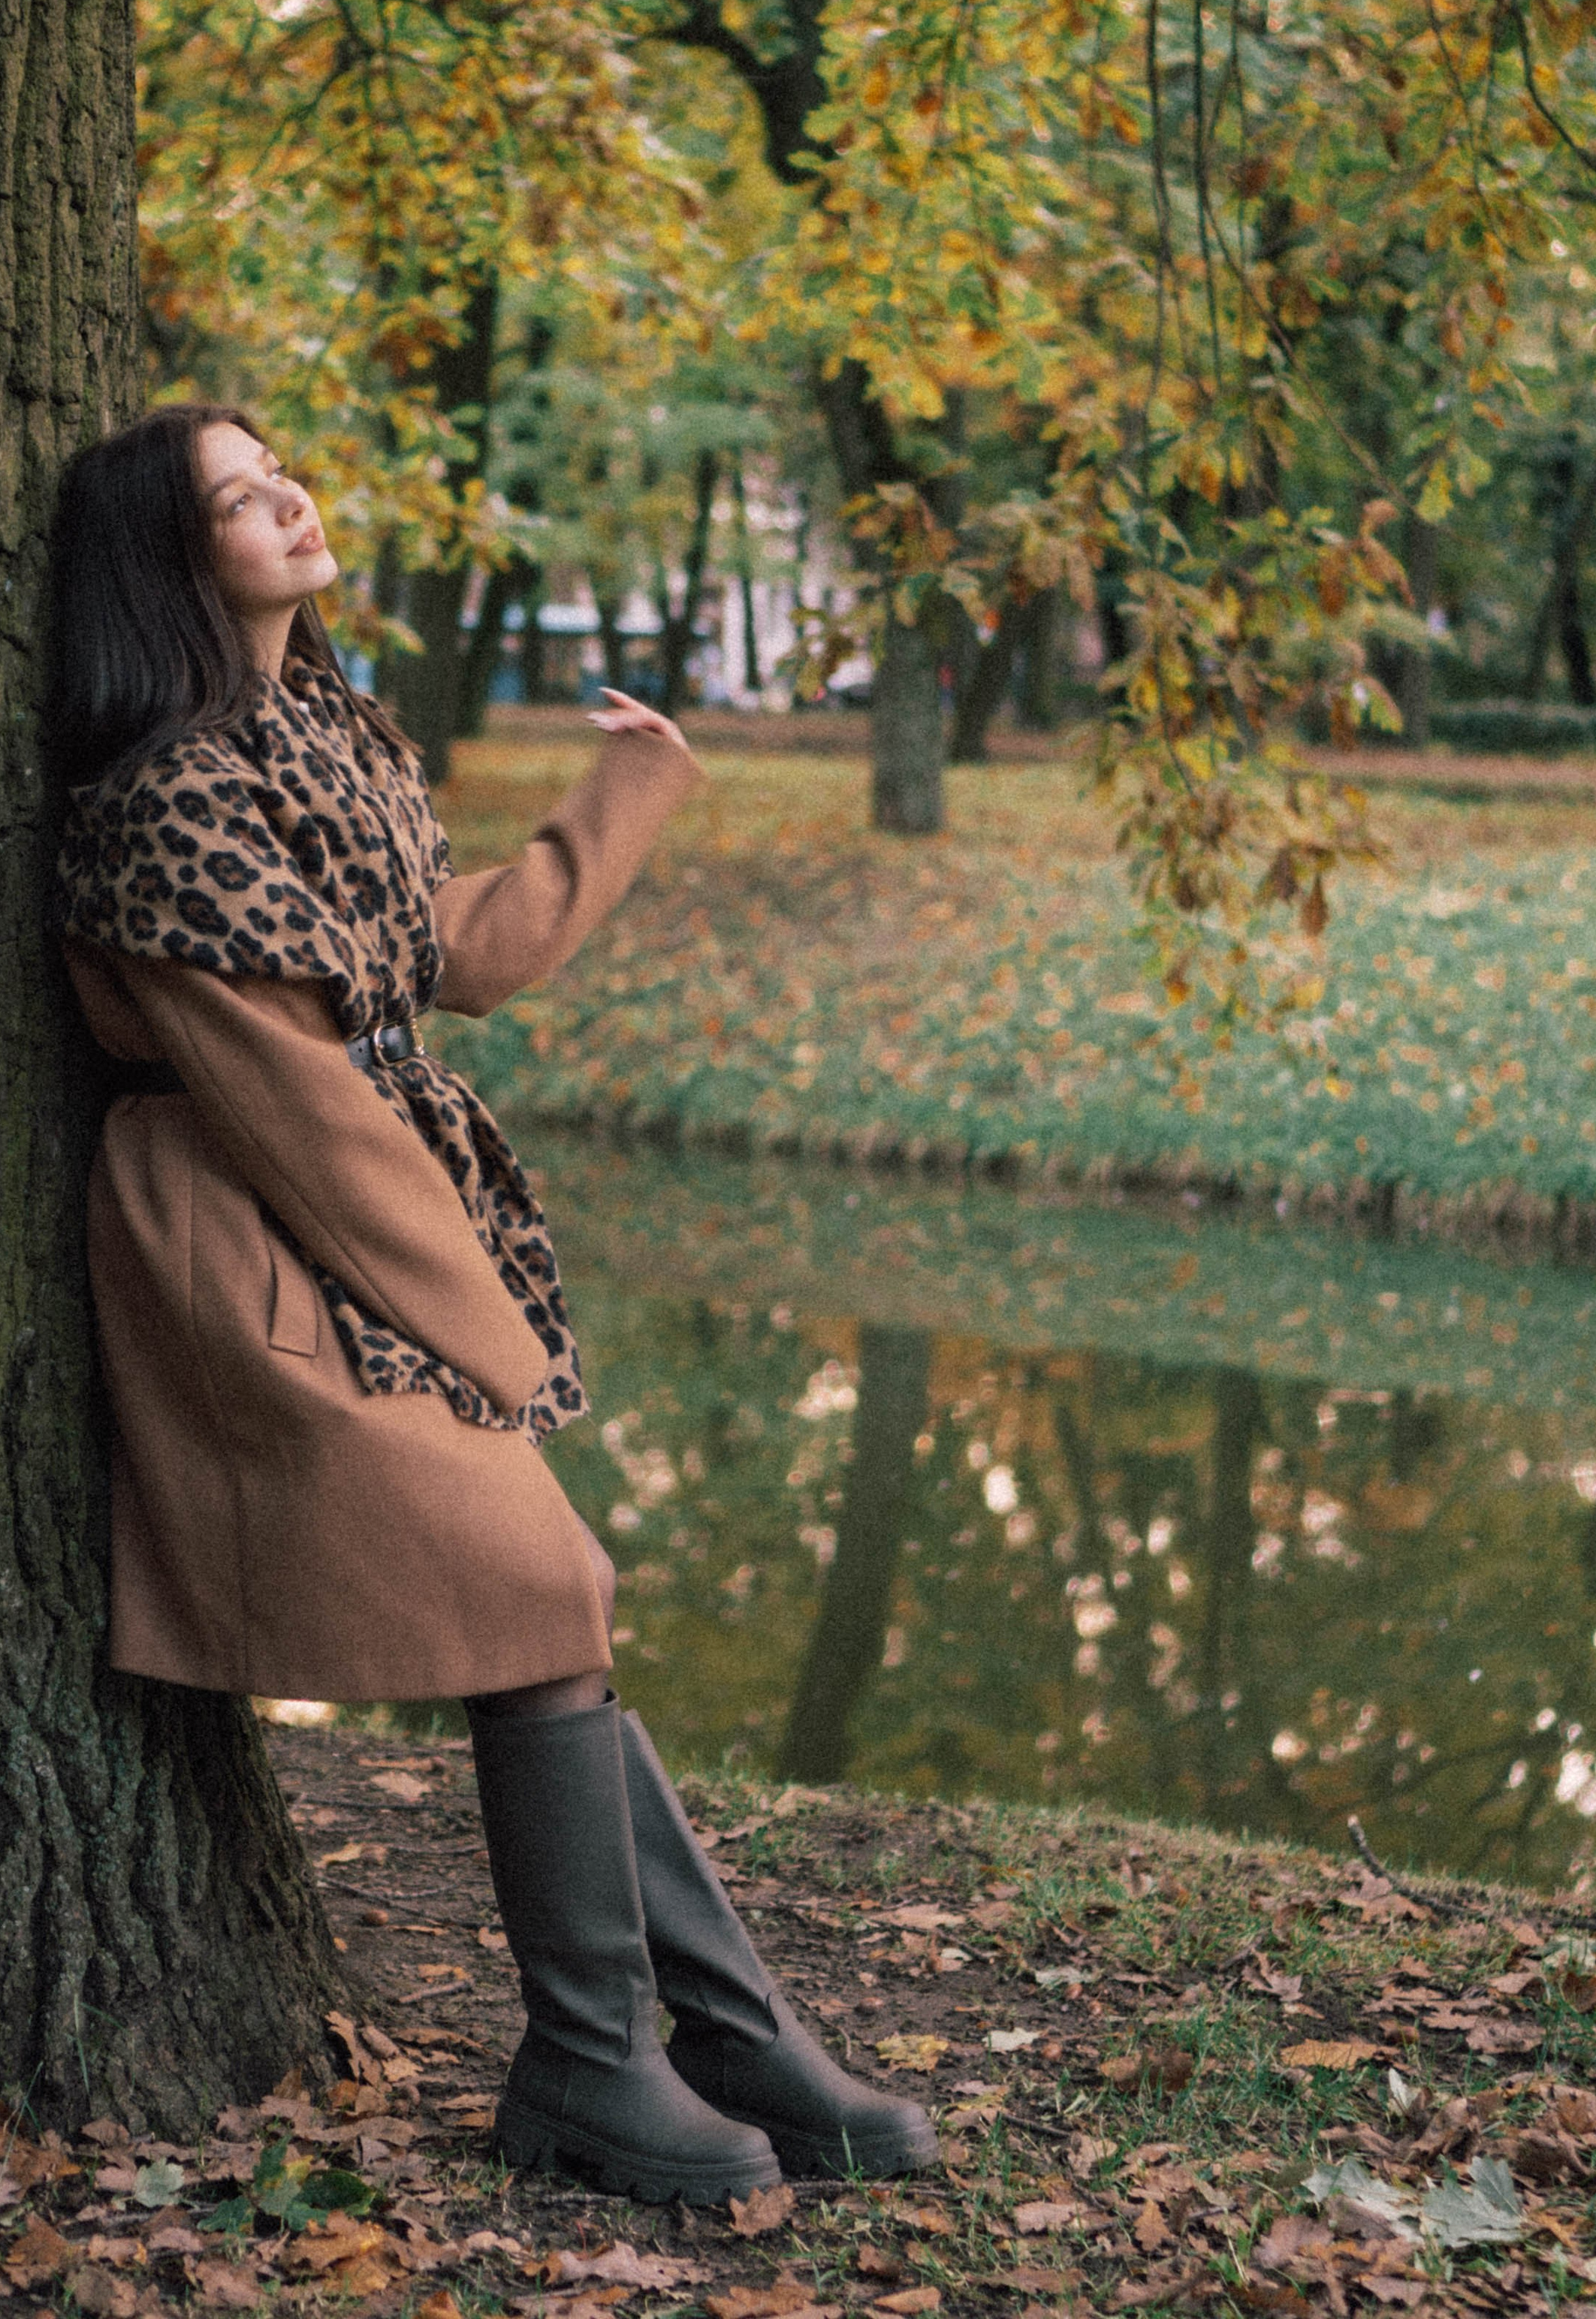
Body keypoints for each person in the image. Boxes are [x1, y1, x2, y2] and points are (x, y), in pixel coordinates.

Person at [50, 404, 937, 2203]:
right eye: (234, 498)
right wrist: (492, 1337)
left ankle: (694, 2041)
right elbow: (301, 1110)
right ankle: (614, 2057)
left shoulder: (320, 734)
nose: (286, 499)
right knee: (545, 1586)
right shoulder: (163, 803)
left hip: (353, 1209)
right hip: (245, 1236)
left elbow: (448, 956)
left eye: (278, 468)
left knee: (555, 1612)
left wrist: (626, 793)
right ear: (168, 557)